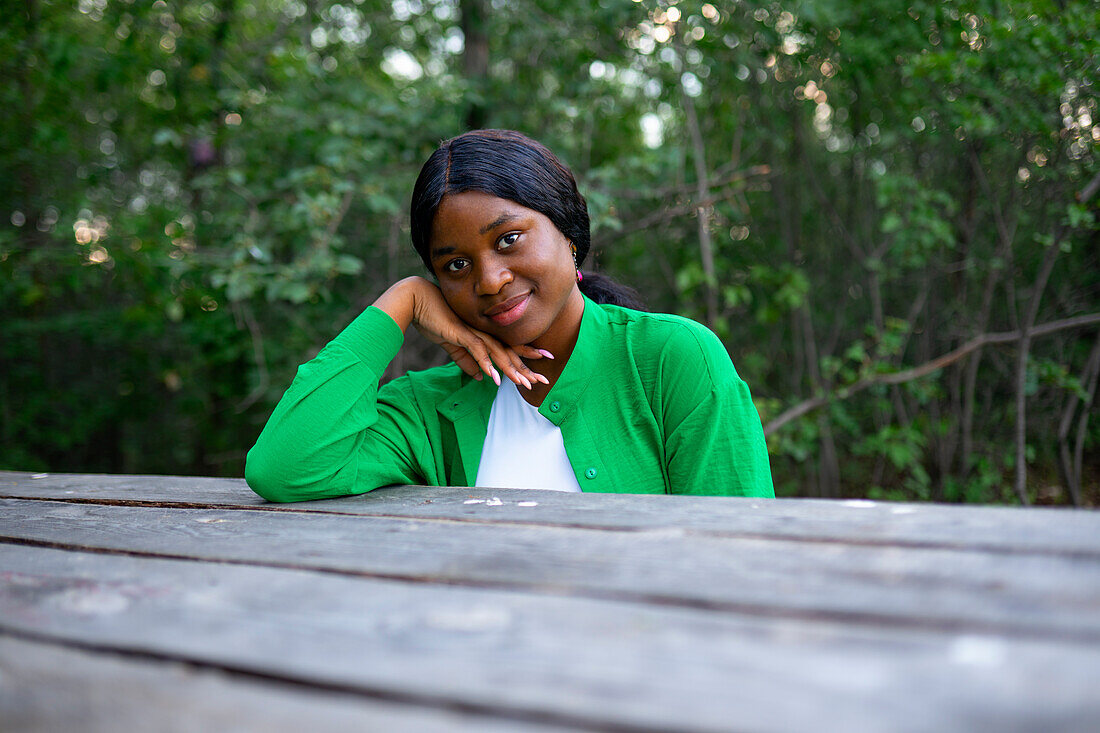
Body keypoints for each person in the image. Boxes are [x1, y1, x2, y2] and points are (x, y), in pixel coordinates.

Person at [245, 129, 773, 501]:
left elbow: (739, 549)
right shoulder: (429, 410)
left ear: (568, 233)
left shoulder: (670, 361)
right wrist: (403, 300)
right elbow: (284, 468)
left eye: (509, 239)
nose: (489, 279)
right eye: (454, 265)